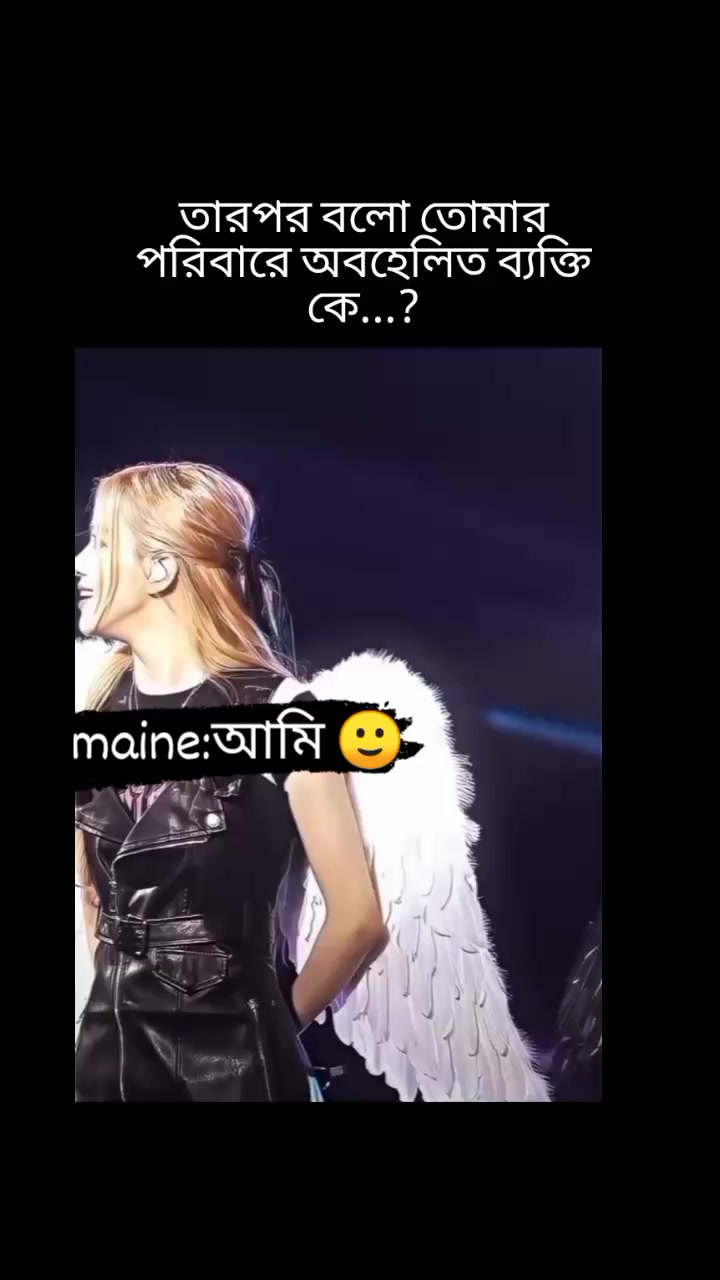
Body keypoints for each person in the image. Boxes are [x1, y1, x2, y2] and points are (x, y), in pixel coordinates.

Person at [75, 460, 550, 1103]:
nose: (81, 563)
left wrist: (270, 1034)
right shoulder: (95, 707)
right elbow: (92, 893)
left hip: (232, 1065)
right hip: (105, 1053)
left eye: (102, 542)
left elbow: (356, 919)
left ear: (161, 569)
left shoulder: (285, 715)